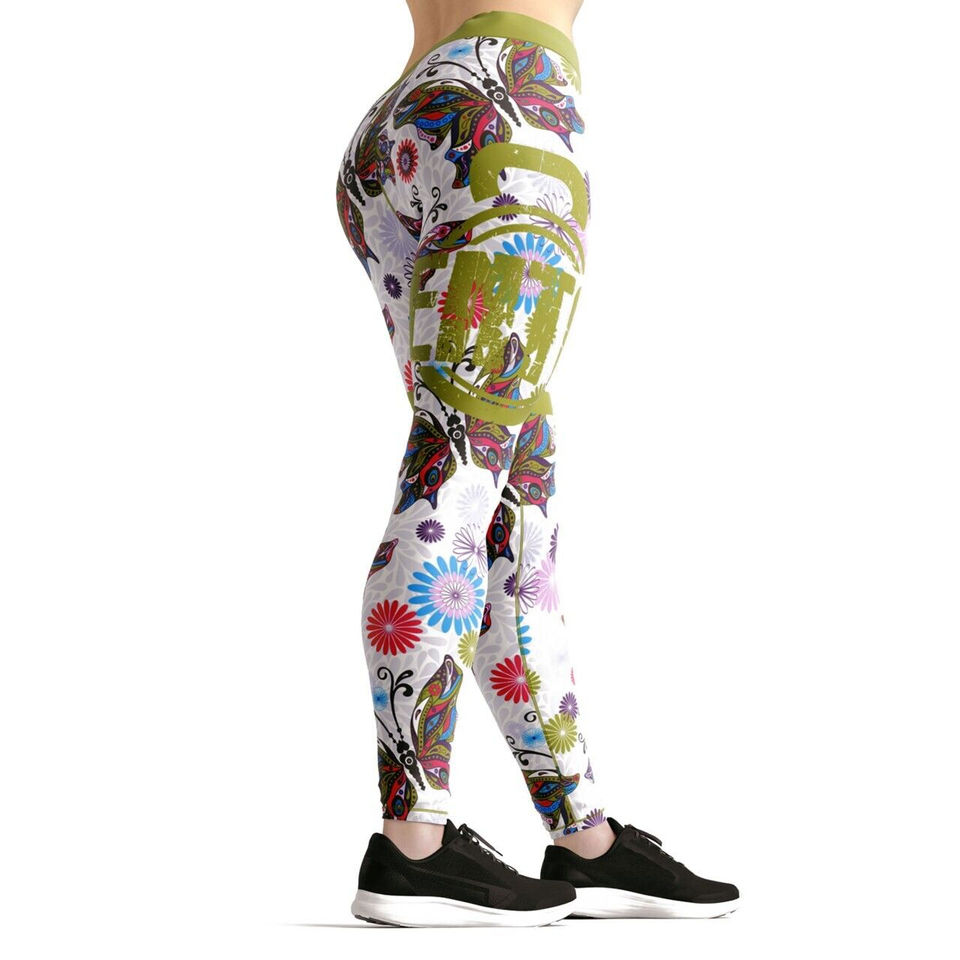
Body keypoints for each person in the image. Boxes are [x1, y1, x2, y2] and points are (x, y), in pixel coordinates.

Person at [335, 1, 739, 925]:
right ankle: (412, 844)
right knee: (460, 470)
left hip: (402, 121)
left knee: (514, 492)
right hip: (510, 105)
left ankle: (583, 839)